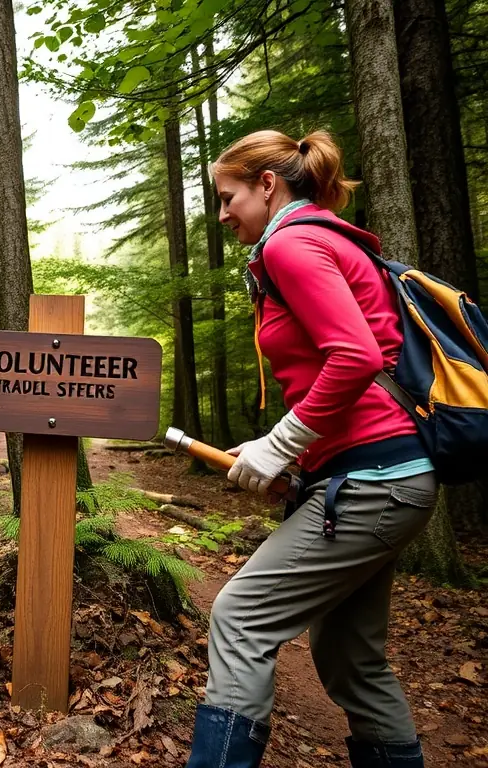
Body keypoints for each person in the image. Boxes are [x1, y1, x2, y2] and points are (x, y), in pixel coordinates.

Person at [186, 130, 438, 768]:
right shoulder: (323, 234)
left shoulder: (294, 242)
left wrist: (281, 443)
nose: (222, 214)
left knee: (240, 618)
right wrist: (291, 455)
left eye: (227, 197)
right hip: (378, 474)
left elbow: (354, 357)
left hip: (373, 479)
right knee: (351, 659)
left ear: (267, 185)